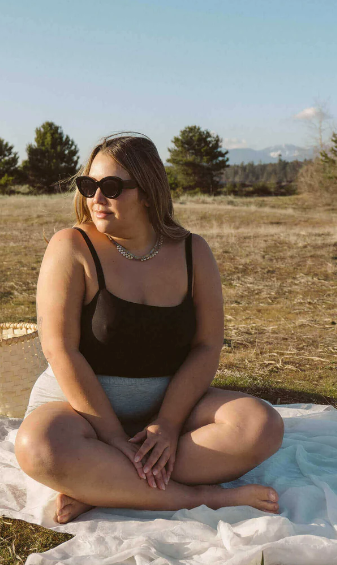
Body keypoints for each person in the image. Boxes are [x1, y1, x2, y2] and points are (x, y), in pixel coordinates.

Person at [15, 132, 284, 524]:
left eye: (110, 187)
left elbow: (207, 346)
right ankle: (200, 497)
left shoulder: (194, 252)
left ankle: (104, 484)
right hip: (80, 413)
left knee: (261, 425)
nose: (96, 198)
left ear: (147, 191)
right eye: (89, 186)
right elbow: (60, 350)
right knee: (38, 447)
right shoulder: (72, 246)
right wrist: (110, 437)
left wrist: (168, 425)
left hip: (169, 408)